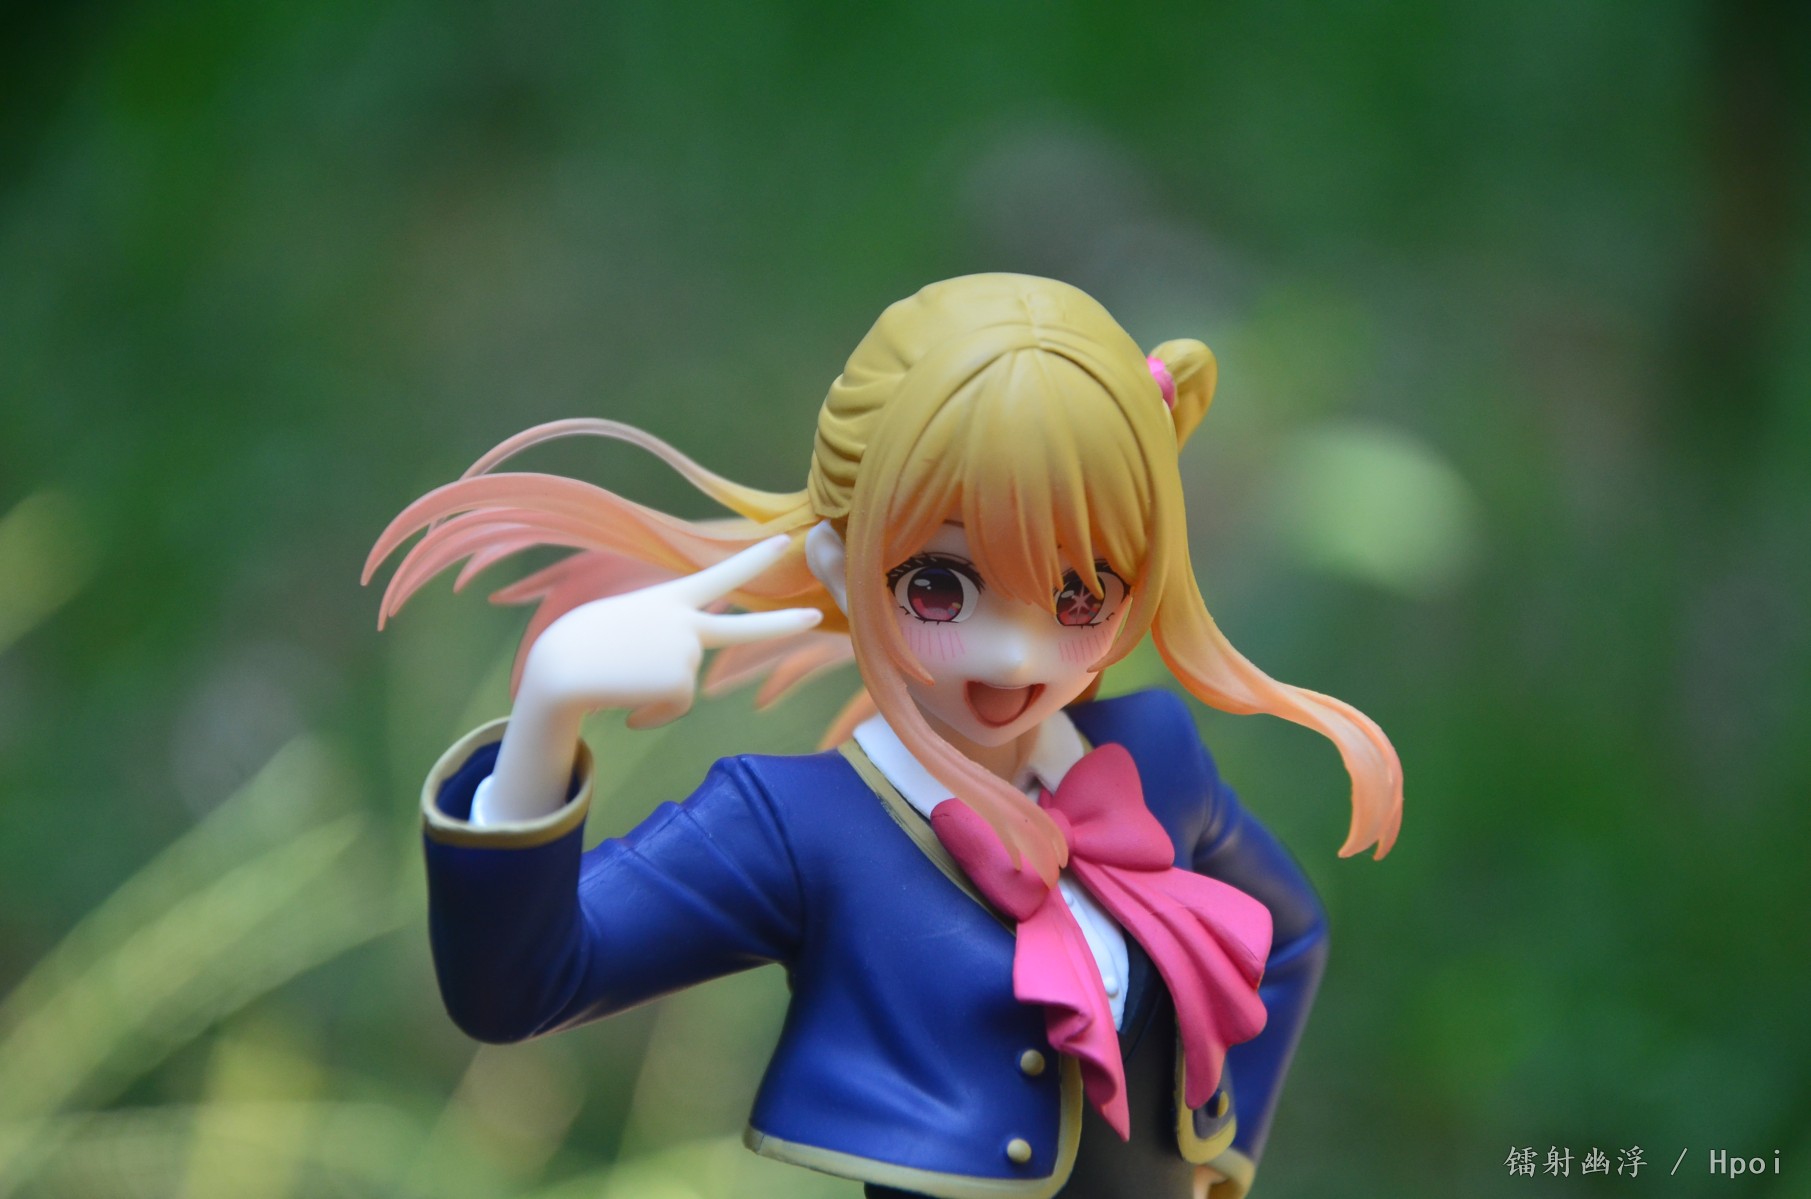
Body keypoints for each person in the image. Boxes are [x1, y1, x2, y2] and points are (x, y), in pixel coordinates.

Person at [365, 273, 1403, 1199]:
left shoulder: (1153, 755)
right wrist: (549, 713)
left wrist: (1221, 1151)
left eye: (1081, 592)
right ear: (837, 559)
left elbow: (1286, 936)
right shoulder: (799, 827)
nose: (1015, 655)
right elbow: (521, 987)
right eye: (940, 585)